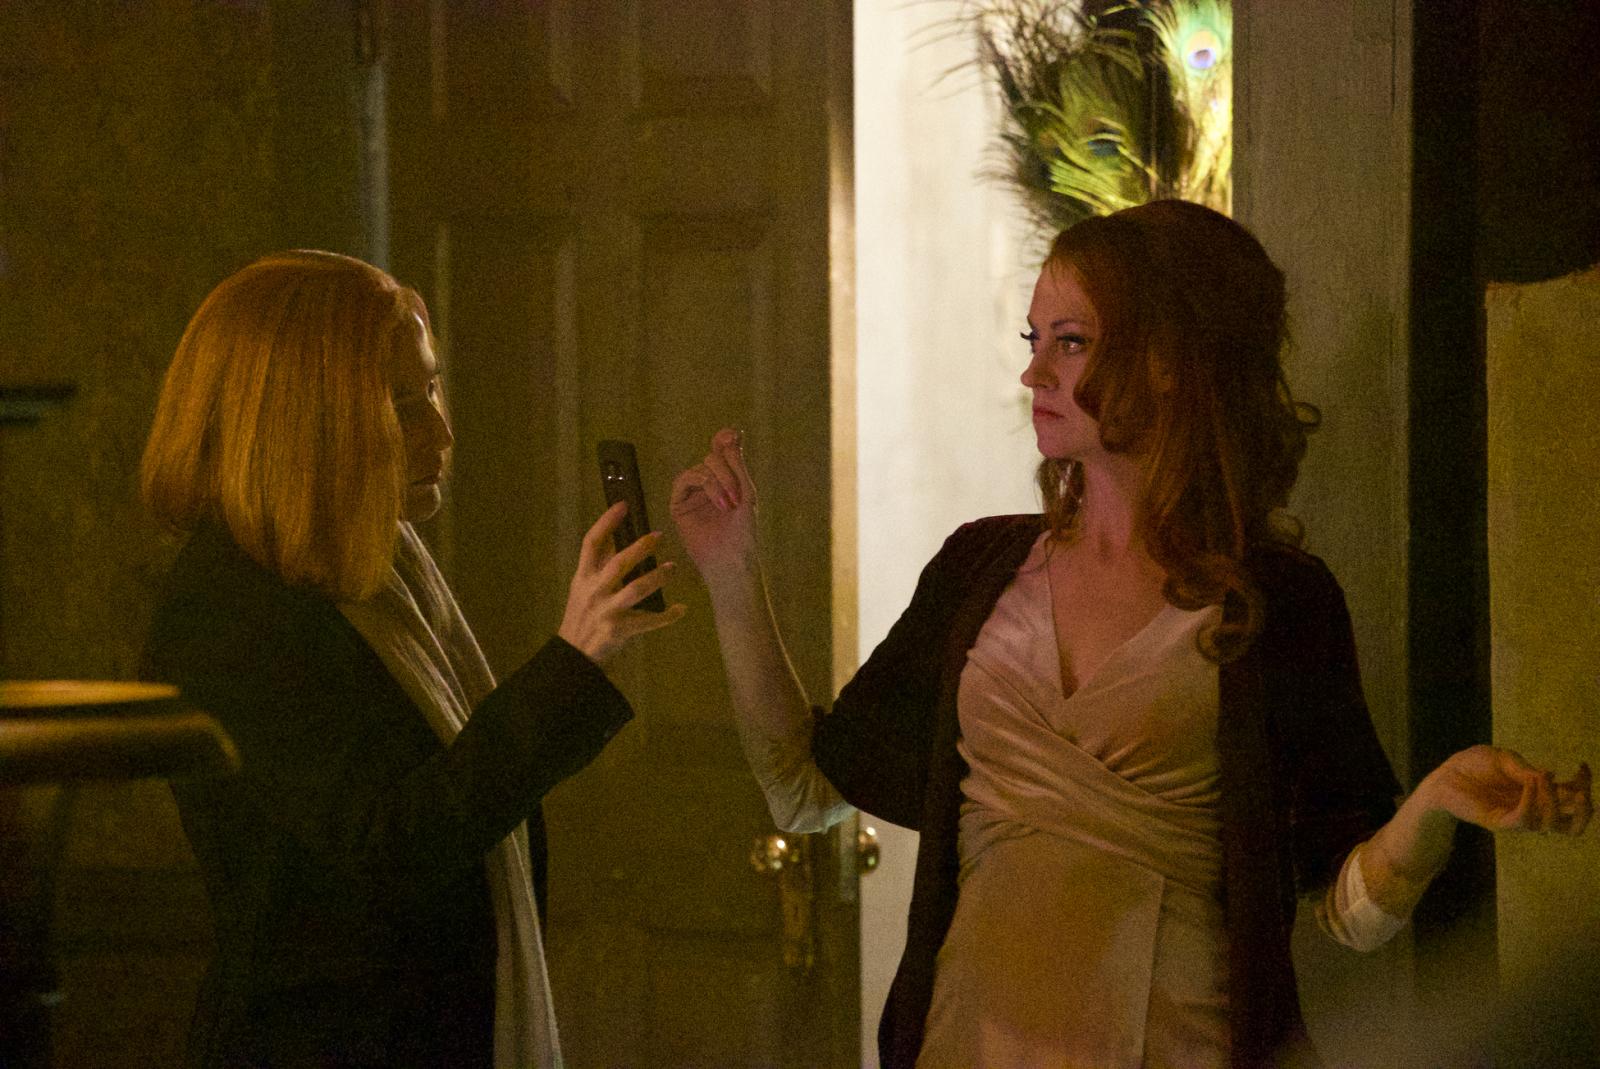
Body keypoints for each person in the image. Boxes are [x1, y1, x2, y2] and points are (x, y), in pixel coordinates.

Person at [670, 200, 1593, 1069]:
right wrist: (730, 571)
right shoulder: (977, 570)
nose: (1034, 374)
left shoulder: (1277, 603)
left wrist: (1432, 806)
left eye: (1071, 343)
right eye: (1034, 341)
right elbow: (803, 790)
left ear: (1169, 360)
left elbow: (1348, 915)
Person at [140, 250, 684, 1068]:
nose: (442, 432)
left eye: (430, 389)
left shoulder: (376, 570)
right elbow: (389, 847)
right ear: (300, 422)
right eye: (402, 403)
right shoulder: (229, 611)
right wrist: (572, 660)